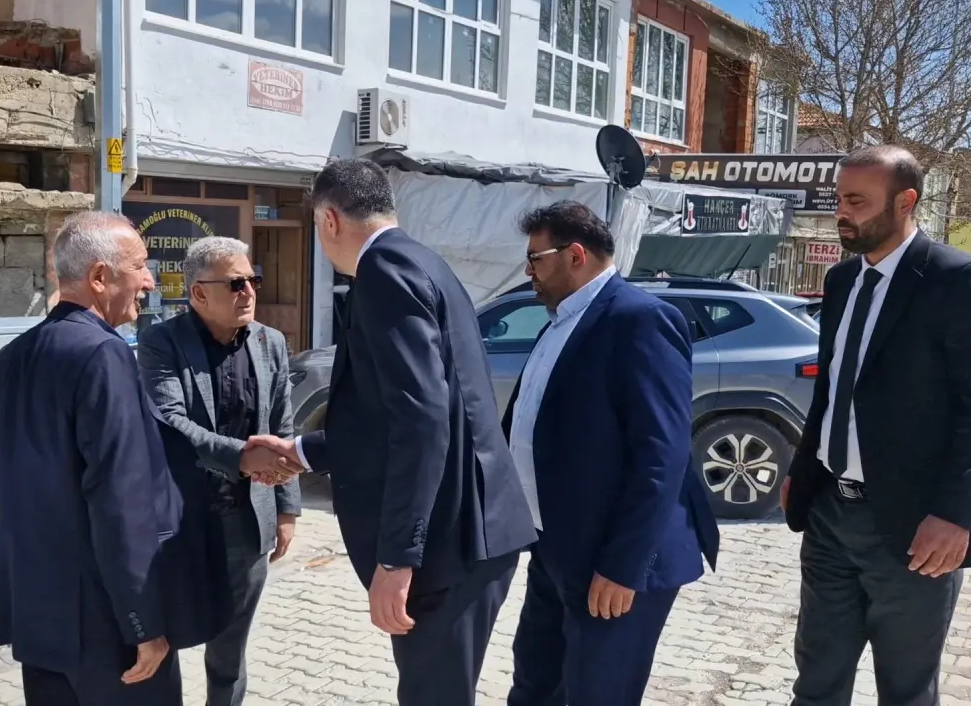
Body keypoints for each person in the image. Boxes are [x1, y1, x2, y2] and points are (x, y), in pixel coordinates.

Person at [246, 157, 537, 704]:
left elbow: (422, 421)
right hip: (472, 529)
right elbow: (393, 419)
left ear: (329, 220)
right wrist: (302, 451)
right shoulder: (422, 260)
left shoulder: (383, 273)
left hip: (452, 541)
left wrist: (398, 557)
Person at [781, 145, 971, 706]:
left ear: (905, 202)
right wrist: (803, 469)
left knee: (905, 692)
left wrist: (957, 514)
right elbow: (834, 391)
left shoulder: (957, 279)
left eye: (857, 201)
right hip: (830, 515)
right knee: (815, 683)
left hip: (915, 527)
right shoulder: (841, 281)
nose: (842, 212)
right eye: (839, 199)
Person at [502, 201, 720, 706]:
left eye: (535, 259)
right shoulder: (558, 323)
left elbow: (661, 454)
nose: (528, 271)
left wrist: (625, 565)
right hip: (554, 547)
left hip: (615, 563)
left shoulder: (639, 319)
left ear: (575, 255)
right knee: (535, 686)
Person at [0, 211, 195, 706]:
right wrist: (144, 623)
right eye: (139, 266)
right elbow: (122, 500)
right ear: (100, 277)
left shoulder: (14, 356)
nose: (149, 281)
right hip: (103, 621)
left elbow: (9, 479)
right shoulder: (103, 354)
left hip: (39, 611)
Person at [137, 236, 303, 706]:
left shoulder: (270, 343)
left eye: (253, 280)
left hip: (246, 522)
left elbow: (282, 426)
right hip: (181, 521)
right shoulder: (161, 342)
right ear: (198, 293)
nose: (248, 291)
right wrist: (241, 457)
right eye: (235, 283)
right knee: (162, 639)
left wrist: (286, 510)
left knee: (230, 652)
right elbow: (170, 422)